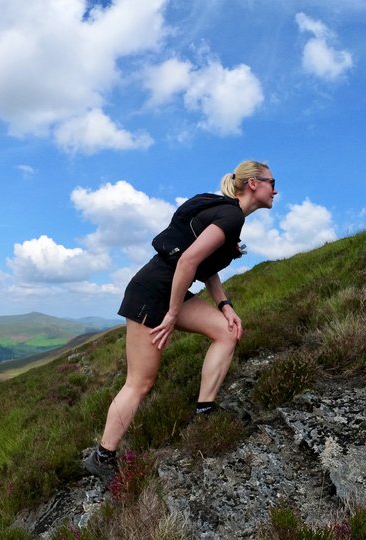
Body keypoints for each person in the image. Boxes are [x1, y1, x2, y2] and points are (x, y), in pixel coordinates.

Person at [83, 160, 278, 481]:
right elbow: (187, 260)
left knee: (226, 332)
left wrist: (225, 305)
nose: (276, 190)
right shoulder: (229, 215)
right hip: (152, 292)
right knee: (140, 382)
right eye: (273, 182)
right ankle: (102, 457)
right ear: (254, 184)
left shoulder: (230, 217)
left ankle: (205, 410)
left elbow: (204, 266)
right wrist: (172, 313)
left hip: (168, 288)